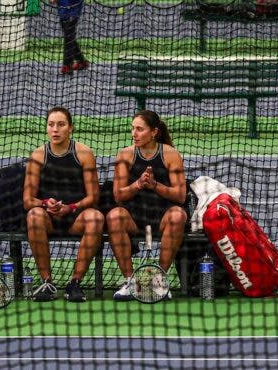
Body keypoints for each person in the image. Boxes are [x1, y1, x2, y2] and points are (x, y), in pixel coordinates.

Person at [22, 106, 103, 302]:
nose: (55, 129)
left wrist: (71, 207)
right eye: (51, 125)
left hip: (76, 217)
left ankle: (74, 283)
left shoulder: (84, 153)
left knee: (97, 217)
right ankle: (47, 283)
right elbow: (27, 200)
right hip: (47, 217)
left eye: (61, 124)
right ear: (47, 128)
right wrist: (44, 203)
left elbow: (94, 196)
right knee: (33, 215)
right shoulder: (38, 156)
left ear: (70, 128)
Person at [105, 110, 188, 301]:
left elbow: (181, 196)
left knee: (178, 215)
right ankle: (130, 282)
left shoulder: (171, 154)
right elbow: (118, 196)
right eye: (133, 128)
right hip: (134, 217)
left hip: (162, 215)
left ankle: (160, 281)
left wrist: (154, 185)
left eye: (140, 129)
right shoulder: (125, 155)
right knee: (114, 215)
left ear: (154, 132)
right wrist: (138, 184)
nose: (134, 133)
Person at [51, 0, 89, 75]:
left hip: (72, 10)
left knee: (68, 37)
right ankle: (81, 61)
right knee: (69, 37)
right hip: (63, 11)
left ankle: (67, 65)